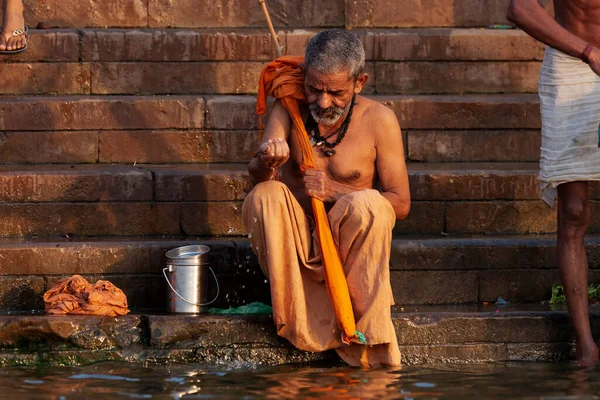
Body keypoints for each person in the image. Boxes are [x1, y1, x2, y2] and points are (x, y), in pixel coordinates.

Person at [242, 29, 410, 368]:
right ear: (304, 77)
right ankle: (301, 317)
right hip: (298, 246)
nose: (322, 102)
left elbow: (400, 204)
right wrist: (267, 158)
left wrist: (335, 191)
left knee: (370, 205)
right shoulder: (288, 107)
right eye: (315, 89)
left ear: (359, 82)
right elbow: (257, 174)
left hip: (350, 249)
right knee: (265, 195)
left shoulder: (380, 120)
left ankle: (367, 335)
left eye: (336, 92)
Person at [507, 0, 600, 366]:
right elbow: (520, 8)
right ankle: (586, 347)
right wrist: (589, 52)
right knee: (574, 212)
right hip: (571, 63)